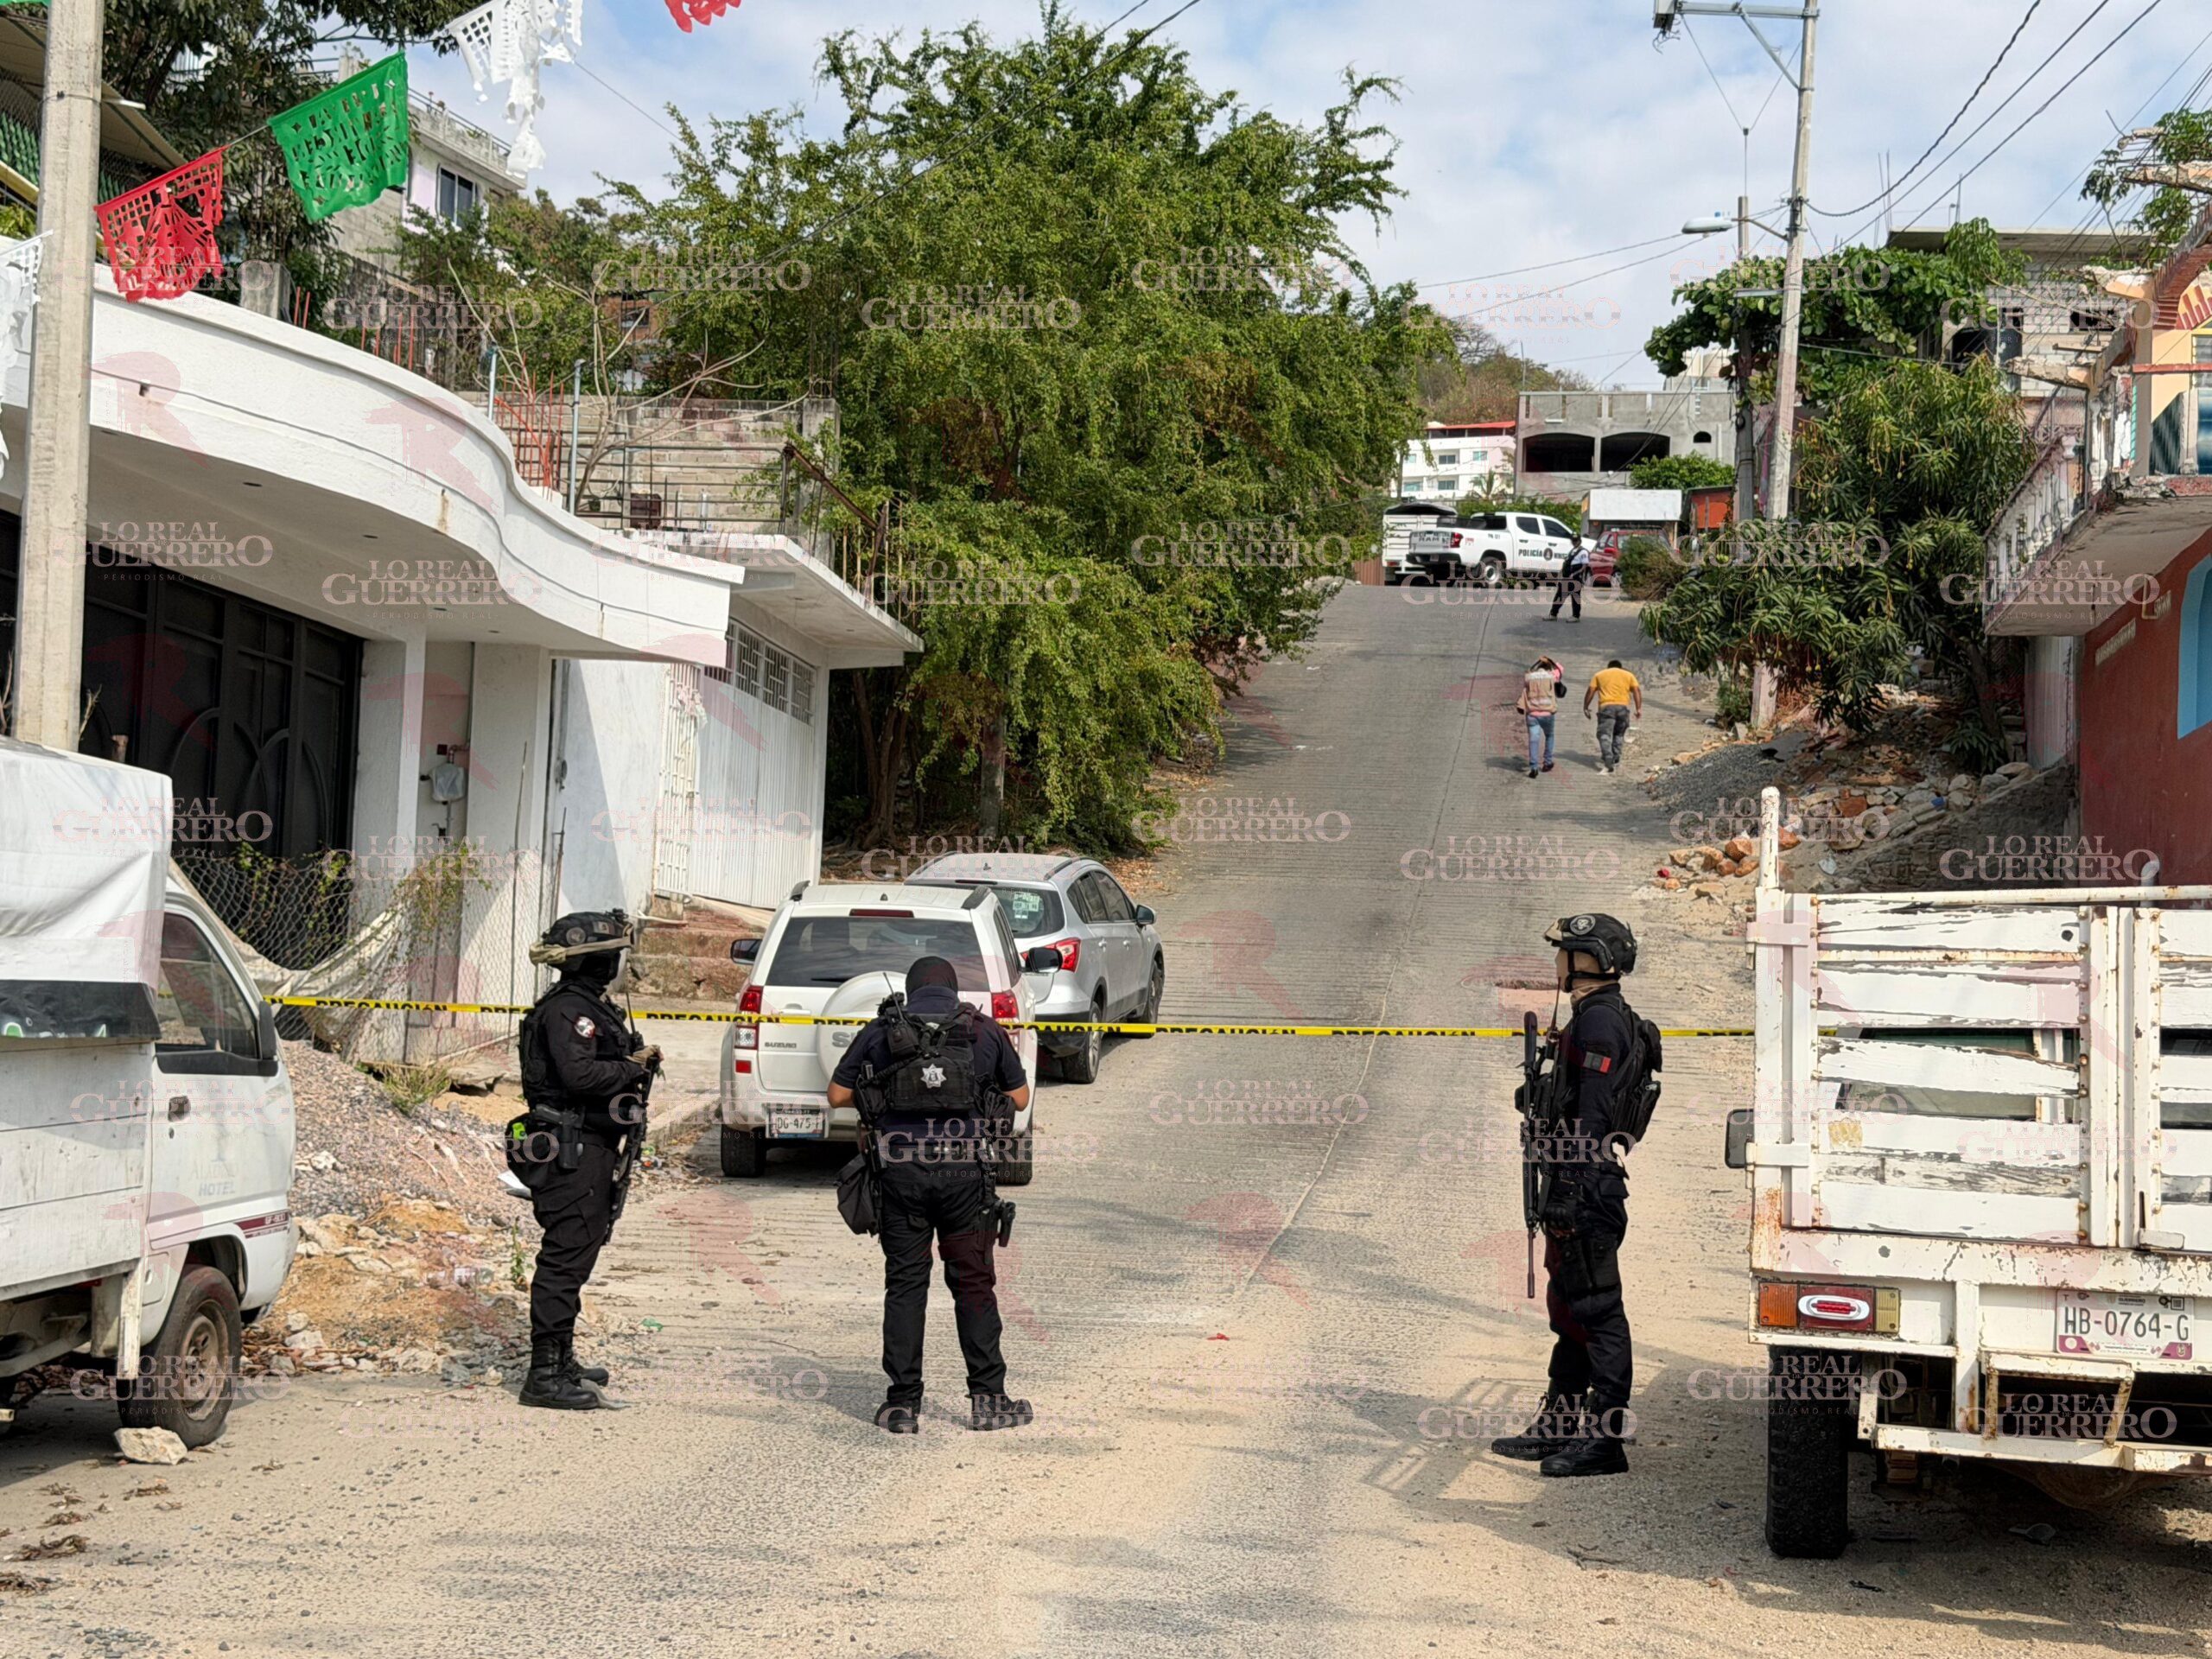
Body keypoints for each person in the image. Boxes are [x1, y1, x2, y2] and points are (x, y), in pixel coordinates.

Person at [828, 955, 1033, 1434]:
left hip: (900, 1176)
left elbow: (837, 1096)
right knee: (974, 1284)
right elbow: (1020, 1099)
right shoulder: (982, 1029)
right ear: (954, 988)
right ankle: (989, 1401)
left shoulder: (883, 1029)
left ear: (912, 988)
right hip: (965, 1177)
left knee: (905, 1286)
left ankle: (901, 1406)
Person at [1491, 913, 1643, 1477]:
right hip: (1577, 1179)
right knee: (1572, 1309)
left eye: (1564, 952)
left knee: (1599, 1313)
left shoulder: (1599, 1024)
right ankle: (1559, 1425)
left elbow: (1597, 1118)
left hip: (1588, 1184)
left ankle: (1604, 1442)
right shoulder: (1590, 1018)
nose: (1556, 961)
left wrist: (1572, 1187)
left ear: (1587, 960)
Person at [512, 910, 659, 1411]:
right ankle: (544, 1376)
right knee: (565, 1256)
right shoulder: (567, 1010)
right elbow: (578, 1076)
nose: (617, 961)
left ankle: (562, 1357)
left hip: (587, 1145)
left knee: (579, 1253)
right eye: (612, 953)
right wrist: (630, 1066)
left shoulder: (588, 1005)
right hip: (570, 1149)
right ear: (594, 959)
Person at [1583, 658, 1643, 774]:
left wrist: (1586, 707)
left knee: (1604, 734)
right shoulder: (1629, 675)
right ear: (1620, 667)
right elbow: (1636, 691)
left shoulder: (1599, 675)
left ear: (1608, 667)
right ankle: (1616, 757)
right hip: (1622, 708)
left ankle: (1608, 758)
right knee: (1619, 734)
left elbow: (1591, 691)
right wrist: (1638, 708)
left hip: (1606, 708)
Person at [1515, 655, 1566, 779]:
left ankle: (1533, 767)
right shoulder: (1552, 677)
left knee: (1533, 740)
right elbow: (1560, 670)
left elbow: (1529, 671)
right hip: (1547, 714)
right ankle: (1547, 762)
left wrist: (1536, 663)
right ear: (1549, 668)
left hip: (1532, 714)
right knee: (1549, 736)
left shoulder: (1529, 677)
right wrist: (1551, 661)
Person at [1550, 538, 1593, 621]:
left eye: (1576, 540)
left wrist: (1575, 574)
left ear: (1579, 541)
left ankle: (1575, 616)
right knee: (1560, 596)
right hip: (1567, 577)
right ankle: (1553, 614)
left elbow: (1584, 566)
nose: (1574, 542)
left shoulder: (1583, 551)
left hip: (1574, 578)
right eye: (1573, 541)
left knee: (1574, 597)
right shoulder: (1572, 551)